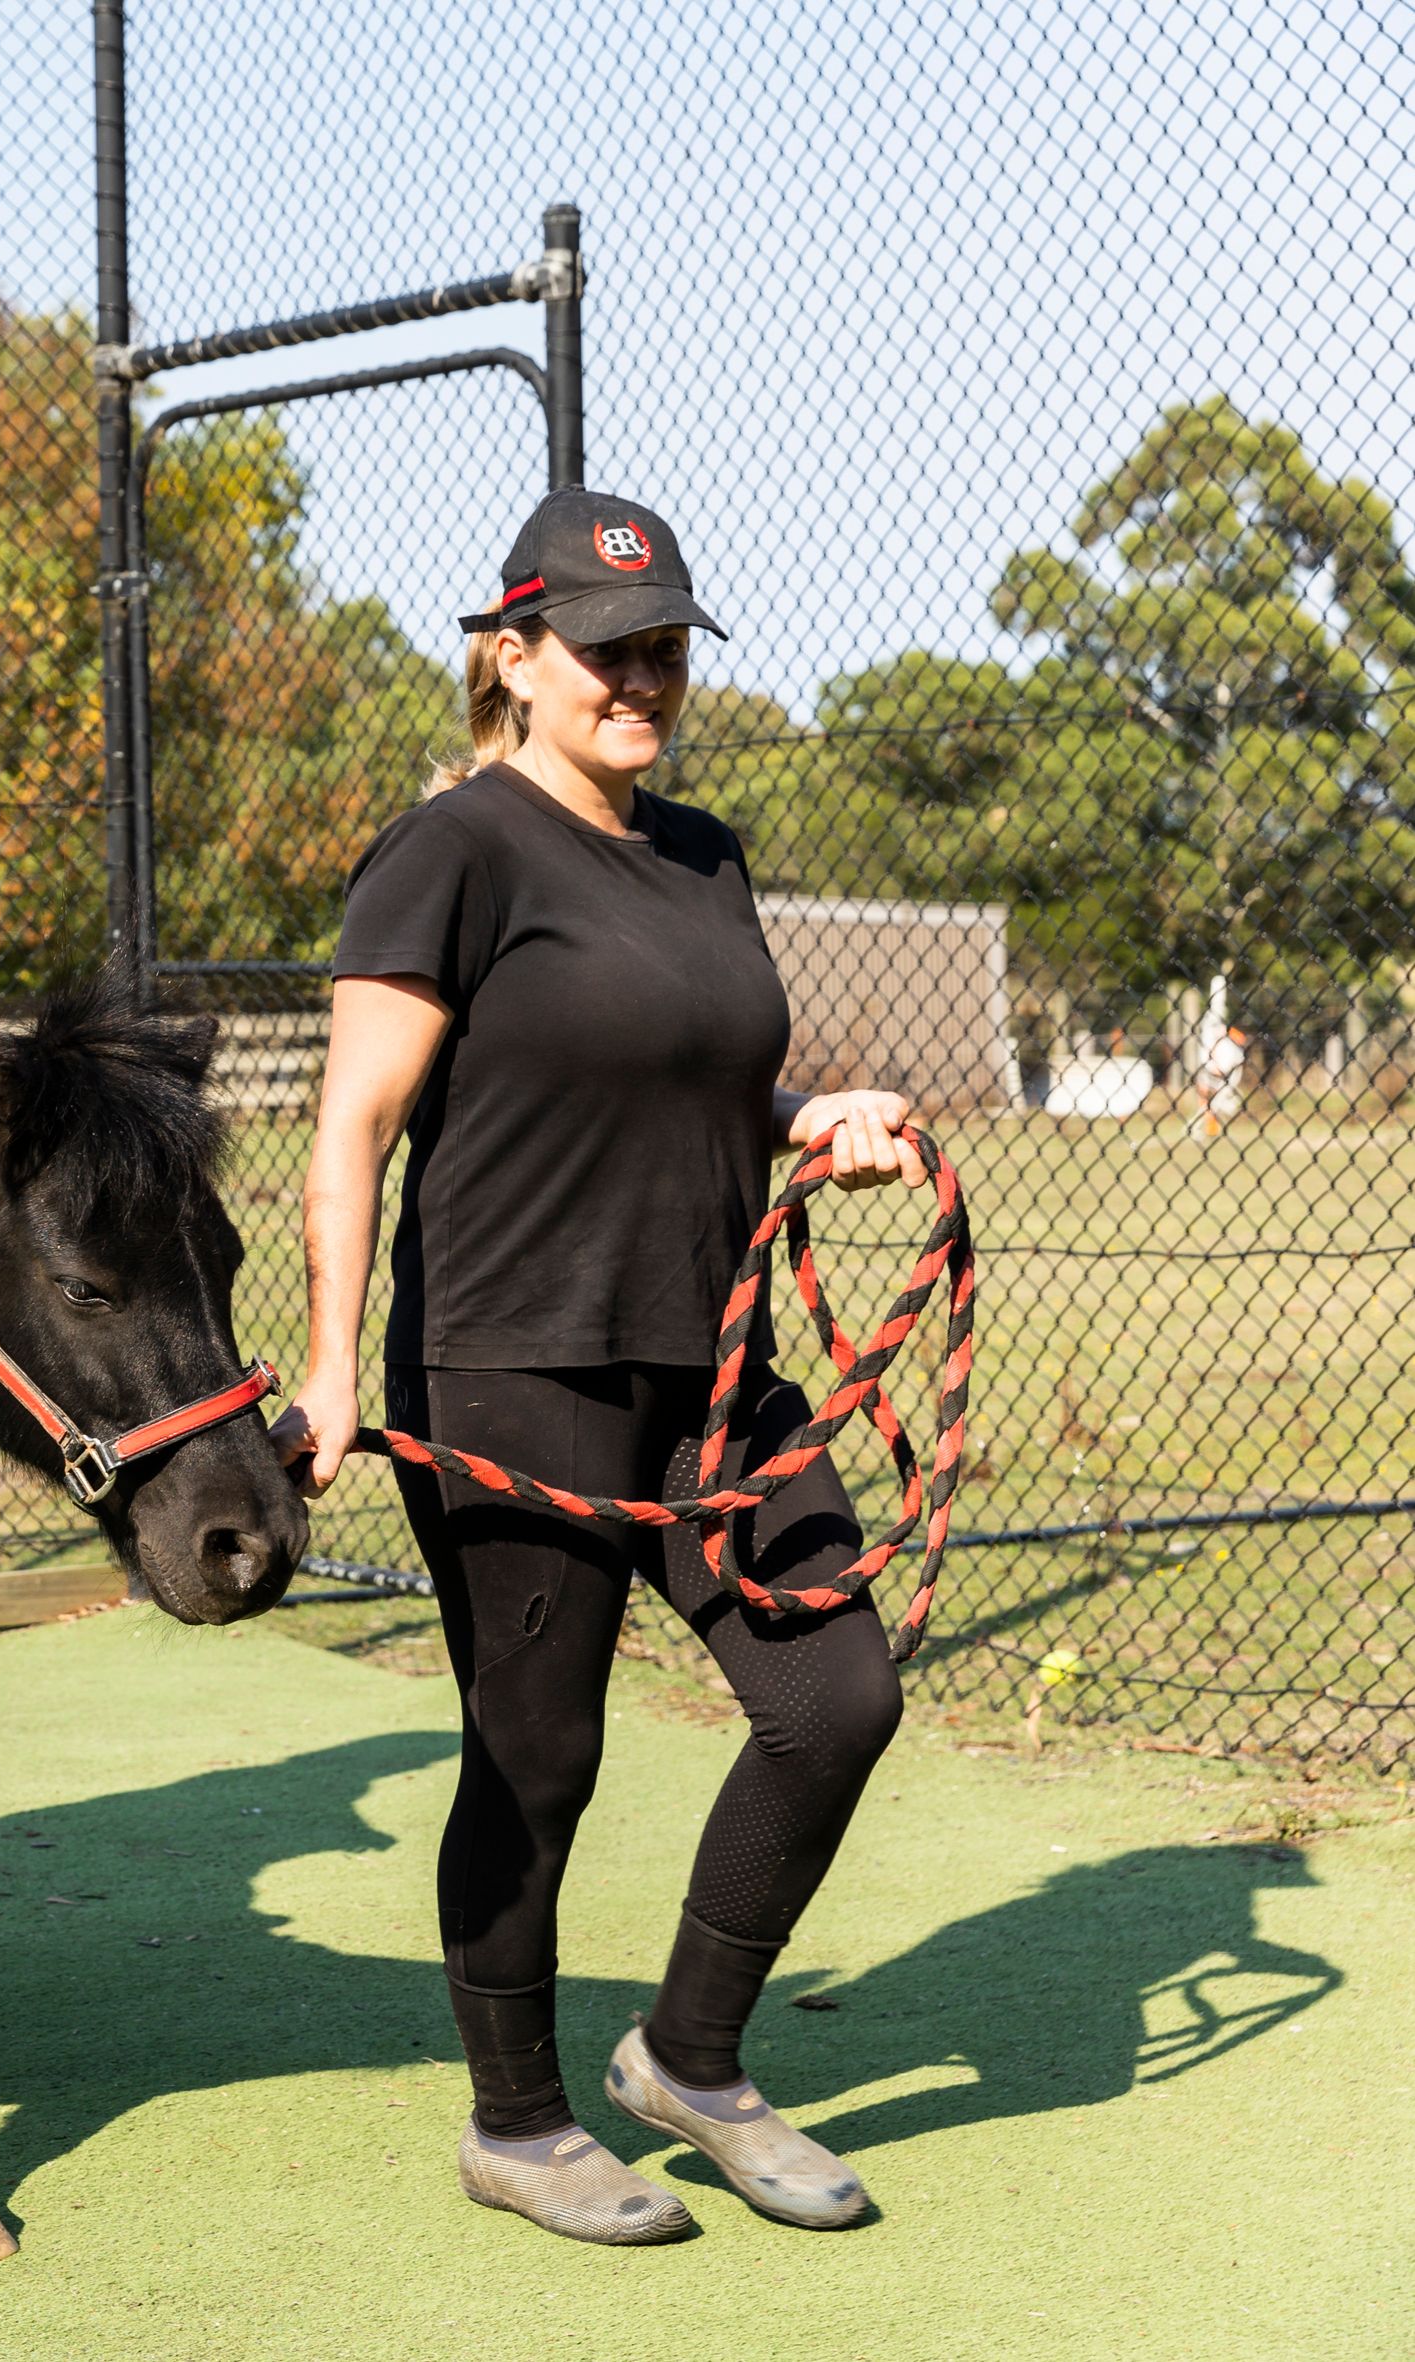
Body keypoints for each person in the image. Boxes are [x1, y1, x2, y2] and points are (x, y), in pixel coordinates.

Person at [268, 488, 931, 2245]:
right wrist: (332, 1368)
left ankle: (689, 2059)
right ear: (511, 653)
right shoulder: (454, 851)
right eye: (603, 648)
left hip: (710, 1362)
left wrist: (809, 1112)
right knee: (533, 1756)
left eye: (661, 650)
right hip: (510, 1362)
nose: (639, 679)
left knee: (831, 1698)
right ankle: (514, 2120)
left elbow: (692, 1076)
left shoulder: (701, 854)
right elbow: (352, 1126)